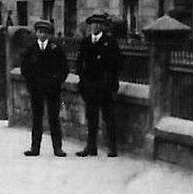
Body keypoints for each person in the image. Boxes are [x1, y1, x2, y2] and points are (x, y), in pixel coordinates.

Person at [74, 14, 122, 157]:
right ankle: (91, 147)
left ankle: (112, 148)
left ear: (102, 26)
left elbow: (117, 64)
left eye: (98, 24)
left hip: (105, 87)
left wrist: (112, 84)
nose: (95, 26)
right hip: (90, 87)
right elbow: (79, 64)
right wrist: (83, 81)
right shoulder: (86, 42)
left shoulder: (110, 42)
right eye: (93, 24)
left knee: (109, 118)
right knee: (91, 118)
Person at [21, 19, 70, 157]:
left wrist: (56, 82)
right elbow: (25, 69)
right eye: (40, 32)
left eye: (45, 32)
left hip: (52, 89)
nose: (42, 35)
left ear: (49, 35)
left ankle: (57, 148)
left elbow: (64, 68)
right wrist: (31, 84)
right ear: (36, 33)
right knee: (37, 118)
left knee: (54, 118)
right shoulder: (30, 49)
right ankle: (35, 148)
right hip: (36, 89)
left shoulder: (56, 48)